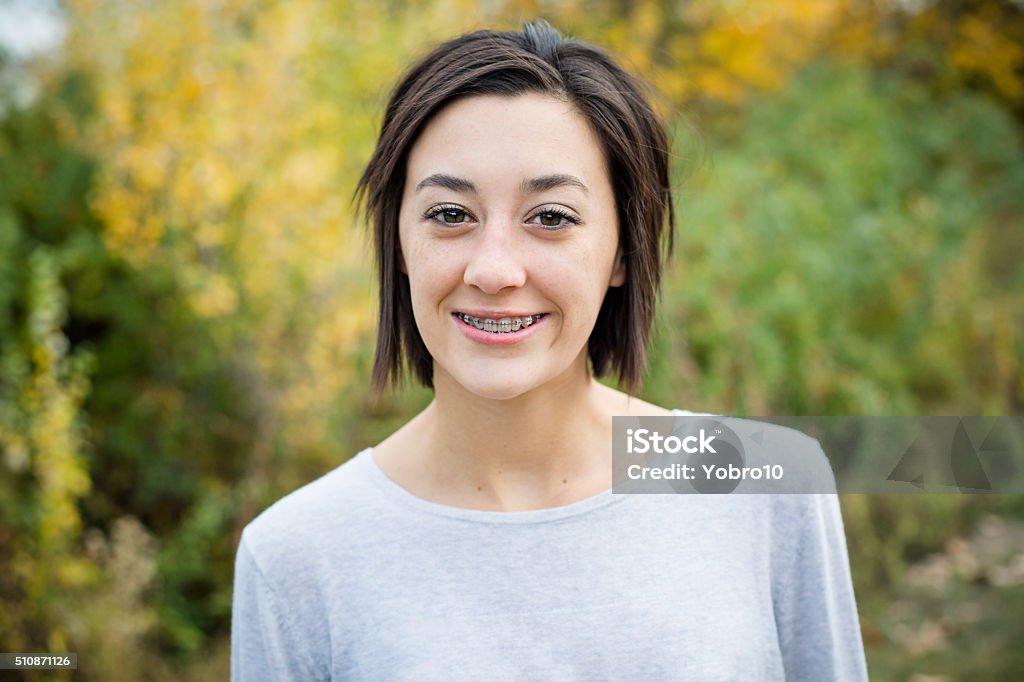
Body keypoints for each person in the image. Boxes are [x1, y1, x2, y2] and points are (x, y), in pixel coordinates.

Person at [231, 20, 869, 681]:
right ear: (397, 245)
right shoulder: (295, 559)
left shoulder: (770, 486)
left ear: (624, 249)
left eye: (552, 217)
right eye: (451, 214)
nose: (494, 270)